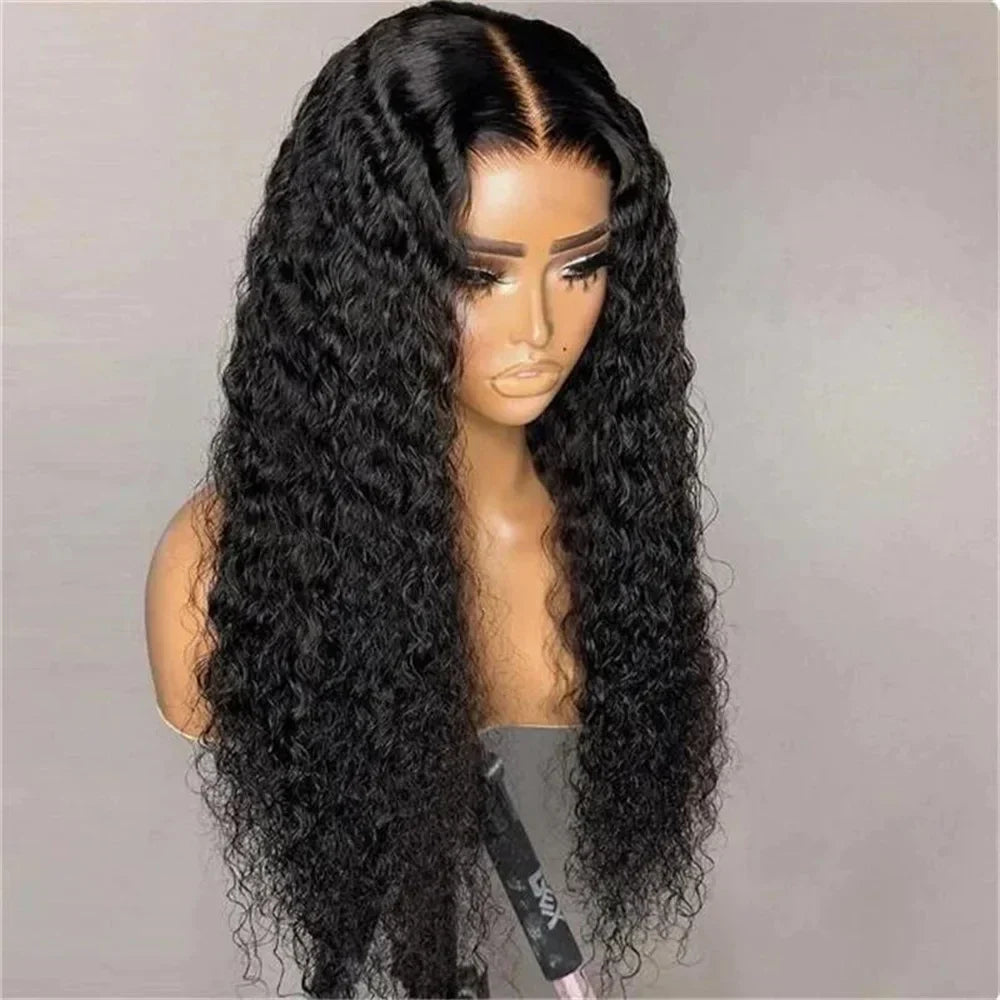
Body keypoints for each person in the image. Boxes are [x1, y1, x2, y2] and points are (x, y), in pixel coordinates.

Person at [143, 2, 733, 996]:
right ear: (364, 273)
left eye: (581, 265)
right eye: (479, 273)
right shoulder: (219, 570)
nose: (539, 326)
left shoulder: (616, 541)